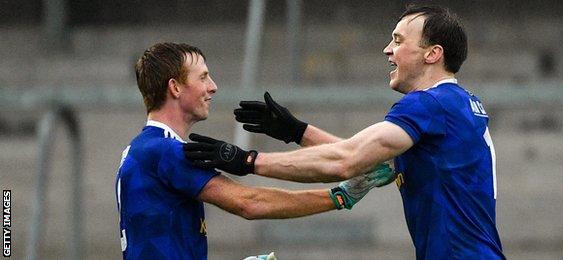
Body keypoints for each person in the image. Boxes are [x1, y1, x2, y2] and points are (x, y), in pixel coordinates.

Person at [184, 4, 505, 259]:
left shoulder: (428, 104)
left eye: (398, 40)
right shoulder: (458, 104)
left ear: (432, 53)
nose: (387, 50)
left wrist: (248, 161)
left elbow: (347, 161)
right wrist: (297, 131)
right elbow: (368, 160)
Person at [115, 42, 396, 259]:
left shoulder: (142, 148)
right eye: (203, 77)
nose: (213, 87)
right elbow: (249, 202)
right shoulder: (165, 150)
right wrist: (337, 197)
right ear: (175, 87)